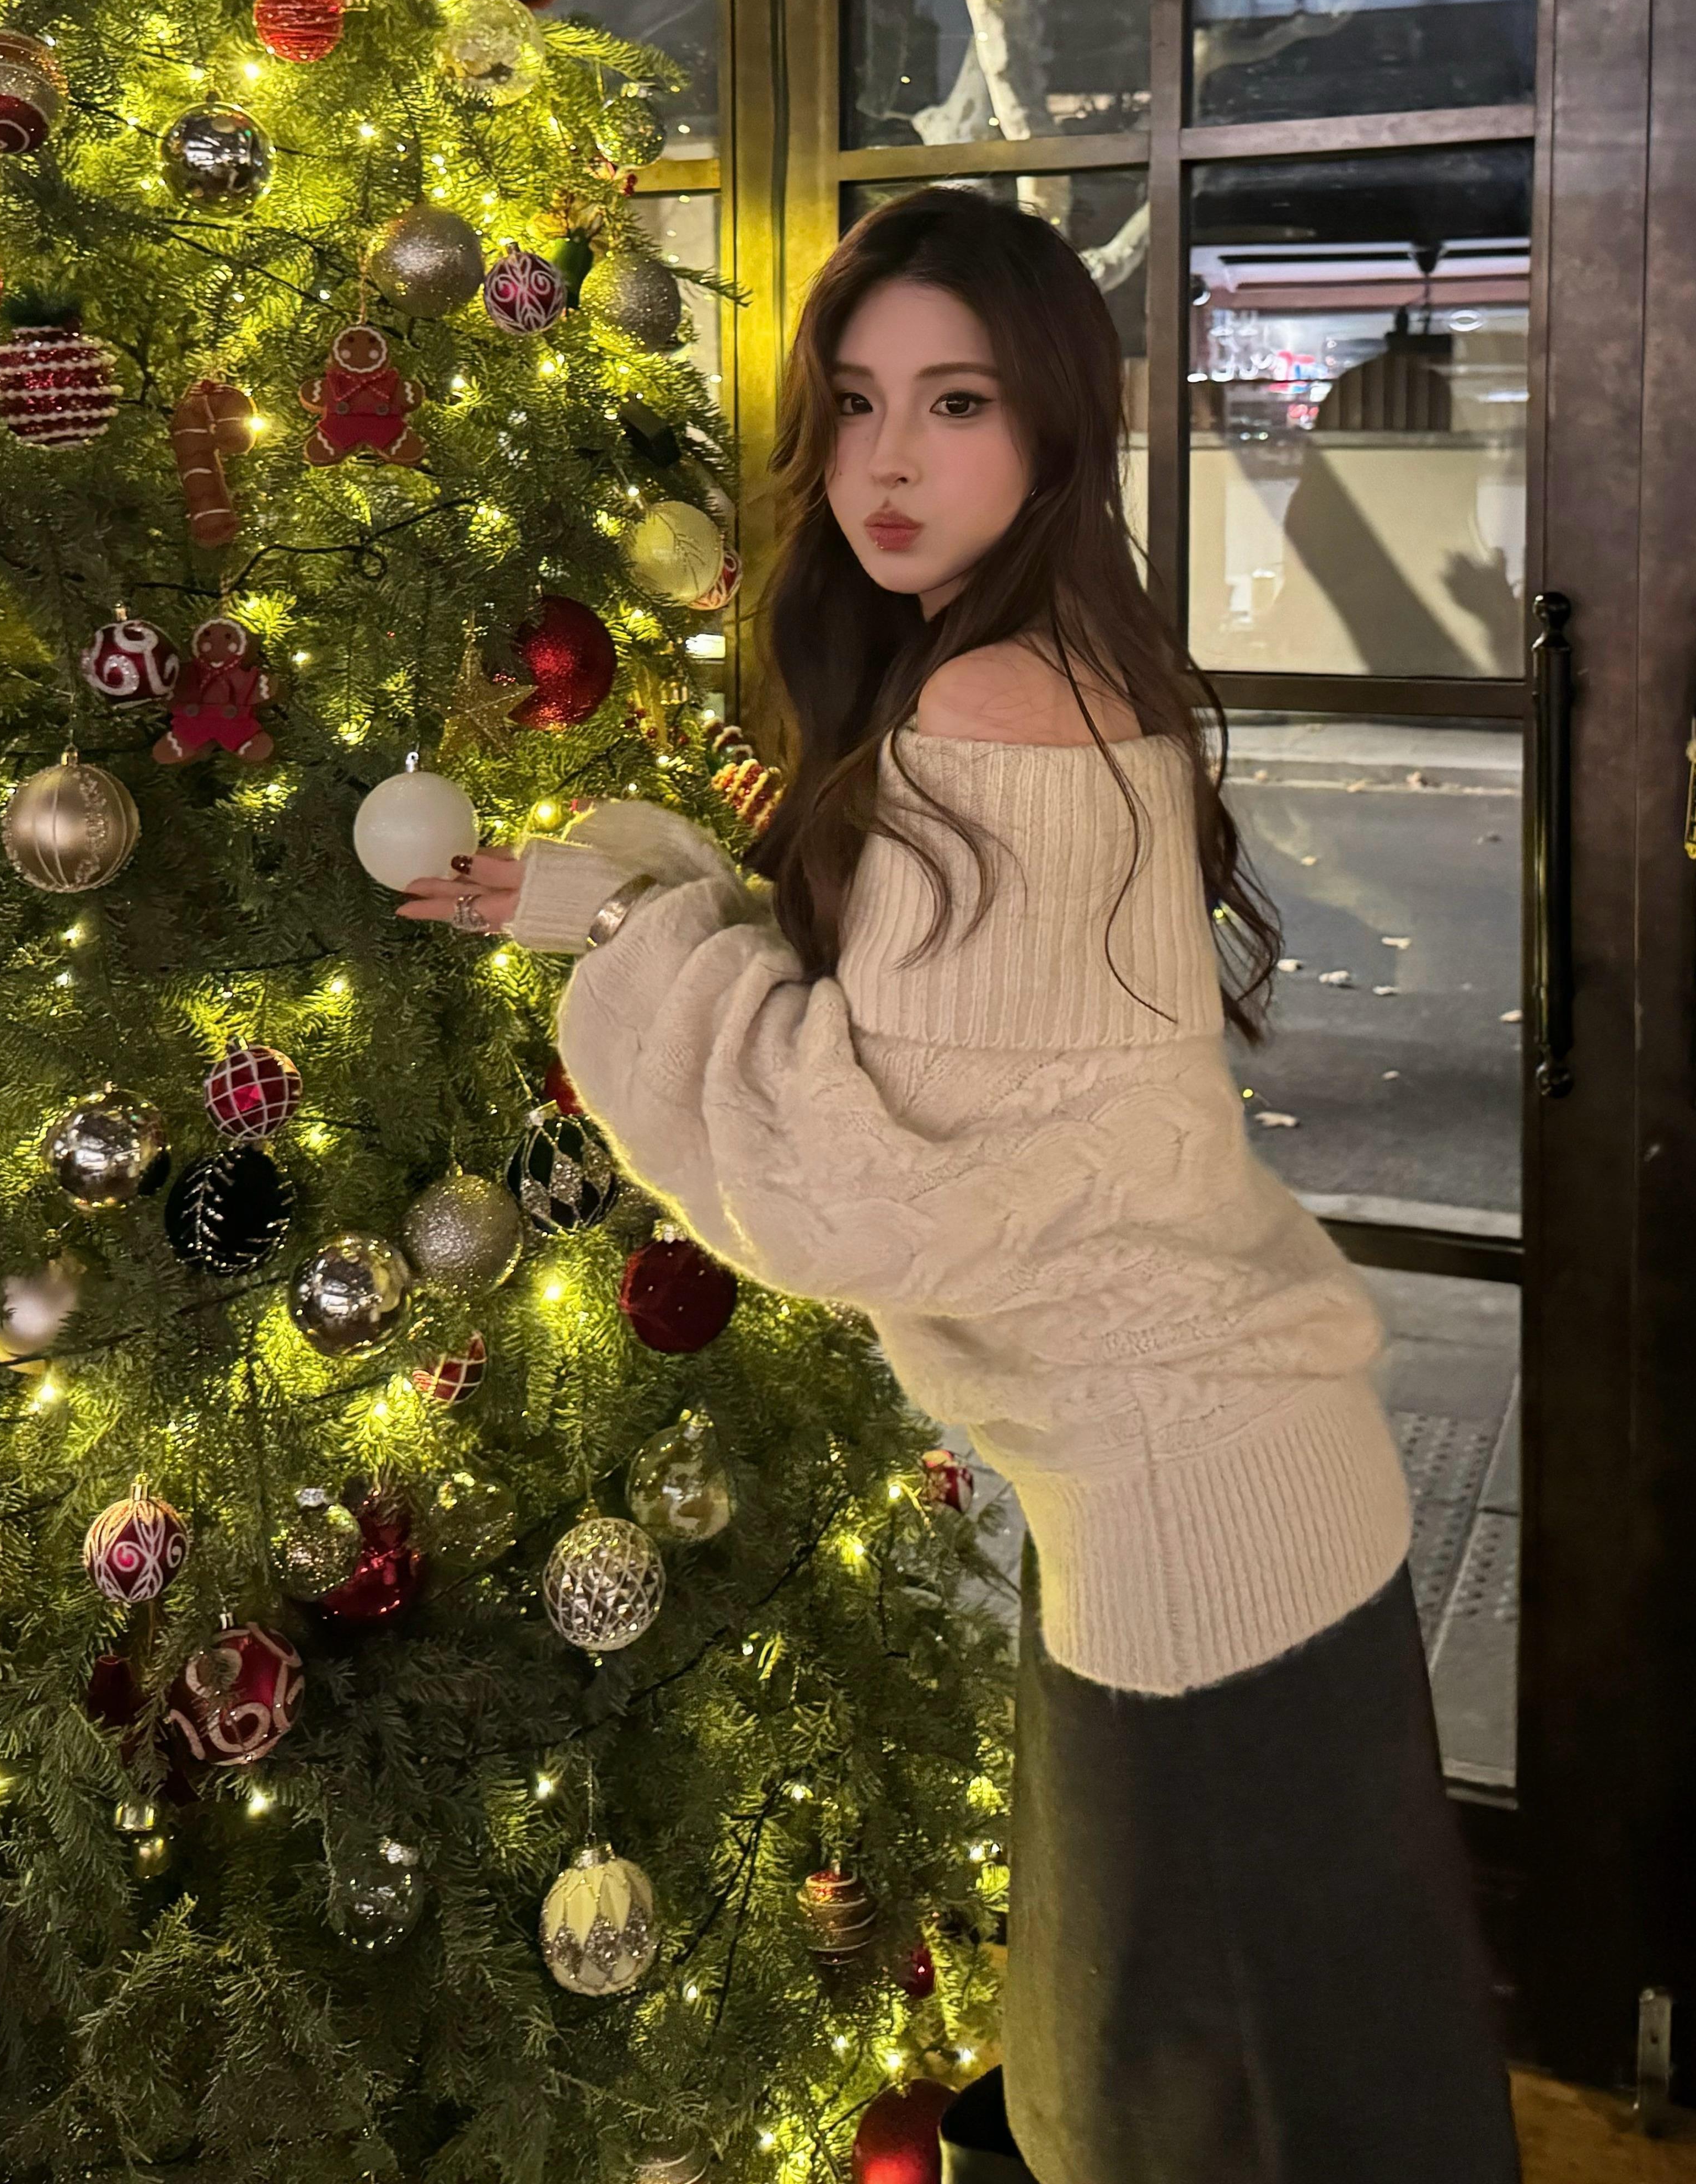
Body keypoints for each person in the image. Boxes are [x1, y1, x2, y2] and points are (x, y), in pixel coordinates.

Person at [398, 186, 1520, 2184]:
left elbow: (847, 1183)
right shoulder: (1052, 655)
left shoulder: (985, 703)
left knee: (1201, 2122)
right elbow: (924, 1034)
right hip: (1228, 1477)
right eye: (852, 403)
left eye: (957, 403)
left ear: (1053, 425)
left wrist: (634, 934)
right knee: (1280, 2092)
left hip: (1187, 1516)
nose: (887, 463)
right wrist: (600, 898)